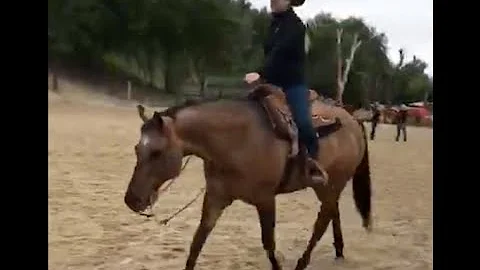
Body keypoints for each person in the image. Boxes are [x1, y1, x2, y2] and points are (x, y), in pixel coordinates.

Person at [243, 0, 328, 184]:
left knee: (303, 122)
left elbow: (279, 53)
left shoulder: (296, 26)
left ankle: (313, 161)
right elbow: (269, 53)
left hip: (292, 84)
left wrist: (260, 73)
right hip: (271, 81)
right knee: (244, 110)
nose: (273, 1)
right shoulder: (274, 24)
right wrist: (262, 73)